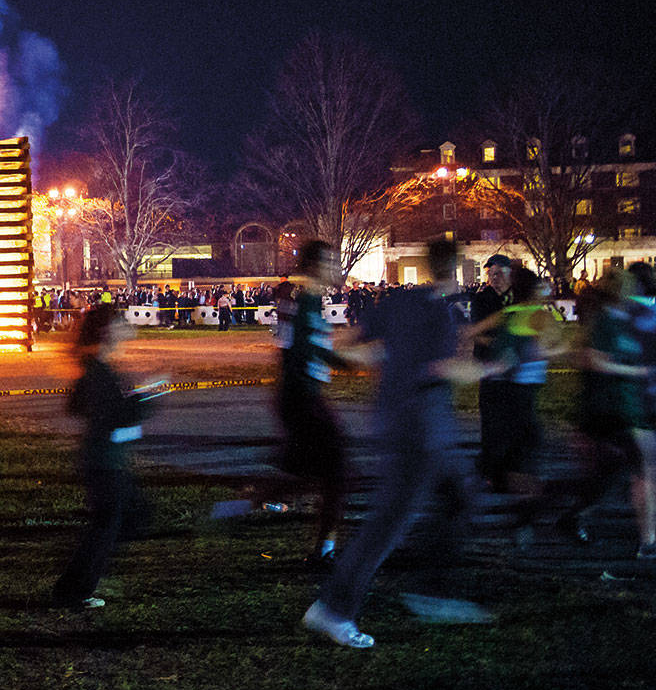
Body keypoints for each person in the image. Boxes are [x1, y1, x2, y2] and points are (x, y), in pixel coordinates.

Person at [303, 239, 489, 649]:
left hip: (411, 426)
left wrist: (386, 364)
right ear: (457, 268)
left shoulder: (396, 302)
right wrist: (494, 366)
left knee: (461, 498)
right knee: (388, 524)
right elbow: (445, 368)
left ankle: (430, 592)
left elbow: (346, 344)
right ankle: (333, 609)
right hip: (419, 431)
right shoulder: (444, 312)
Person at [213, 239, 351, 564]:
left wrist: (344, 359)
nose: (337, 268)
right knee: (337, 474)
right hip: (301, 399)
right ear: (316, 265)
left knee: (305, 475)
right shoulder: (301, 300)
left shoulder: (311, 300)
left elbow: (312, 348)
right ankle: (323, 552)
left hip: (301, 397)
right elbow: (297, 351)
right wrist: (352, 360)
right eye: (332, 261)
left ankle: (235, 509)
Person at [51, 306, 167, 609]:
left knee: (133, 518)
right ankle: (75, 590)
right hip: (104, 463)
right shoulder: (98, 371)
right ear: (107, 331)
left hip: (107, 460)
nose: (127, 326)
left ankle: (77, 579)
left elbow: (76, 406)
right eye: (120, 322)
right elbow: (119, 415)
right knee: (110, 526)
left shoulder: (99, 367)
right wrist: (152, 392)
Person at [531, 268, 652, 554]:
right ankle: (647, 544)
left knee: (605, 476)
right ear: (620, 292)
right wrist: (636, 371)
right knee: (639, 467)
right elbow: (592, 360)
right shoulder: (605, 323)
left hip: (621, 409)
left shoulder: (624, 321)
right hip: (605, 411)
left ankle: (563, 509)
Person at [470, 267, 561, 504]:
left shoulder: (508, 312)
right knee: (528, 441)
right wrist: (533, 351)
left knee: (511, 440)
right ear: (535, 290)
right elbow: (559, 347)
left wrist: (496, 343)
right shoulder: (540, 316)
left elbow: (473, 332)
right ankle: (529, 499)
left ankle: (499, 480)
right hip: (523, 388)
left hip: (500, 384)